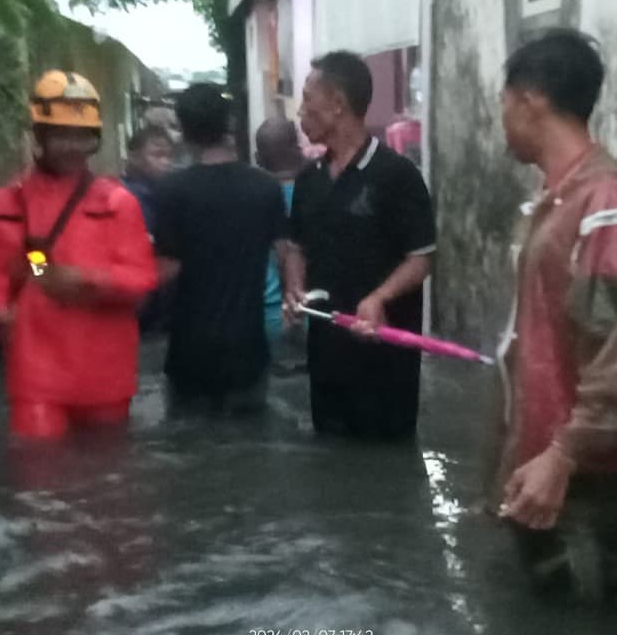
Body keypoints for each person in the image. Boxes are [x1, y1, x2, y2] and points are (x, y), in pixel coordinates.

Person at [491, 29, 617, 607]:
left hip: (586, 480)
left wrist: (561, 456)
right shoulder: (560, 199)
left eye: (504, 103)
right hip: (550, 464)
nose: (503, 119)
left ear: (529, 102)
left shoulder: (606, 206)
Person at [0, 70, 158, 443]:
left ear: (93, 139)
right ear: (40, 137)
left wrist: (85, 281)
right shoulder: (4, 207)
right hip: (36, 372)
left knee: (109, 481)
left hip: (105, 372)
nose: (72, 146)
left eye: (81, 136)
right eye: (61, 135)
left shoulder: (118, 205)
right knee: (38, 475)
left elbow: (142, 279)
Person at [284, 51, 436, 440]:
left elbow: (420, 259)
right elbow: (296, 244)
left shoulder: (396, 175)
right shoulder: (308, 181)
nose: (300, 112)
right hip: (325, 357)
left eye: (307, 98)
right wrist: (295, 287)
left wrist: (379, 298)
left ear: (337, 104)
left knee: (386, 467)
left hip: (385, 360)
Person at [155, 83, 290, 414]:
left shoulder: (172, 191)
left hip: (190, 353)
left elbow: (165, 272)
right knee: (252, 452)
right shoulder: (266, 188)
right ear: (229, 124)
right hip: (248, 350)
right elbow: (286, 254)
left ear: (184, 131)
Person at [254, 118, 304, 358]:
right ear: (297, 149)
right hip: (311, 313)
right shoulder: (316, 192)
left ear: (257, 157)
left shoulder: (252, 196)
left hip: (266, 318)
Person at [122, 125, 175, 336]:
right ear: (134, 157)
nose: (166, 162)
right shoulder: (126, 198)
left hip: (161, 313)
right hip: (139, 312)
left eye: (169, 156)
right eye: (157, 154)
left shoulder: (164, 195)